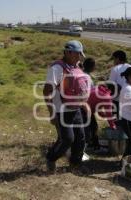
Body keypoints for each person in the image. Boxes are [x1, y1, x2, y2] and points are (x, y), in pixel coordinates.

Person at [43, 40, 91, 173]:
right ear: (68, 52)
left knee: (81, 138)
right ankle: (51, 158)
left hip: (76, 109)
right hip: (61, 111)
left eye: (80, 54)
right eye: (77, 54)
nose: (79, 57)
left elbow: (79, 88)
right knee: (67, 139)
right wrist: (52, 114)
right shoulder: (57, 68)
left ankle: (75, 164)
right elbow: (47, 91)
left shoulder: (76, 66)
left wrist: (84, 104)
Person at [108, 50, 131, 120]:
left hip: (117, 100)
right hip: (130, 99)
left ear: (118, 59)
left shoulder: (115, 69)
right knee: (126, 120)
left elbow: (111, 85)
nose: (113, 61)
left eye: (114, 59)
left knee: (116, 121)